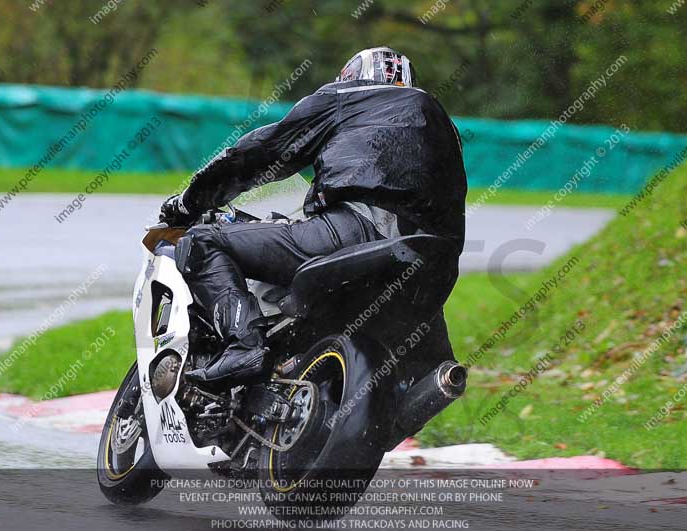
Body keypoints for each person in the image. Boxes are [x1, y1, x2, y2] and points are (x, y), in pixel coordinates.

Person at [159, 46, 467, 388]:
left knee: (202, 242)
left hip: (354, 233)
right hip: (433, 267)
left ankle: (243, 345)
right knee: (425, 377)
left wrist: (191, 201)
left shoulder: (348, 96)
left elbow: (262, 151)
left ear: (350, 77)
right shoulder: (445, 128)